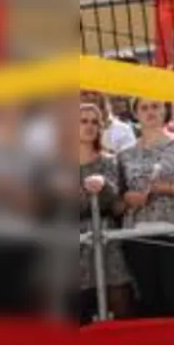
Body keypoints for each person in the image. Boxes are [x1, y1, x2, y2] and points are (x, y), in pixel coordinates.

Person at [115, 97, 174, 317]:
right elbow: (117, 203)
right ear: (135, 113)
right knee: (149, 303)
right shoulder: (124, 154)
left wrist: (167, 188)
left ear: (165, 110)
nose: (150, 112)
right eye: (144, 108)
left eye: (155, 106)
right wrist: (129, 199)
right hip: (138, 236)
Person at [78, 103, 131, 322]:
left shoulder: (109, 160)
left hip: (105, 234)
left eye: (94, 122)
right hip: (73, 238)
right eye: (83, 121)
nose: (89, 126)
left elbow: (114, 198)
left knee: (119, 297)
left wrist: (103, 186)